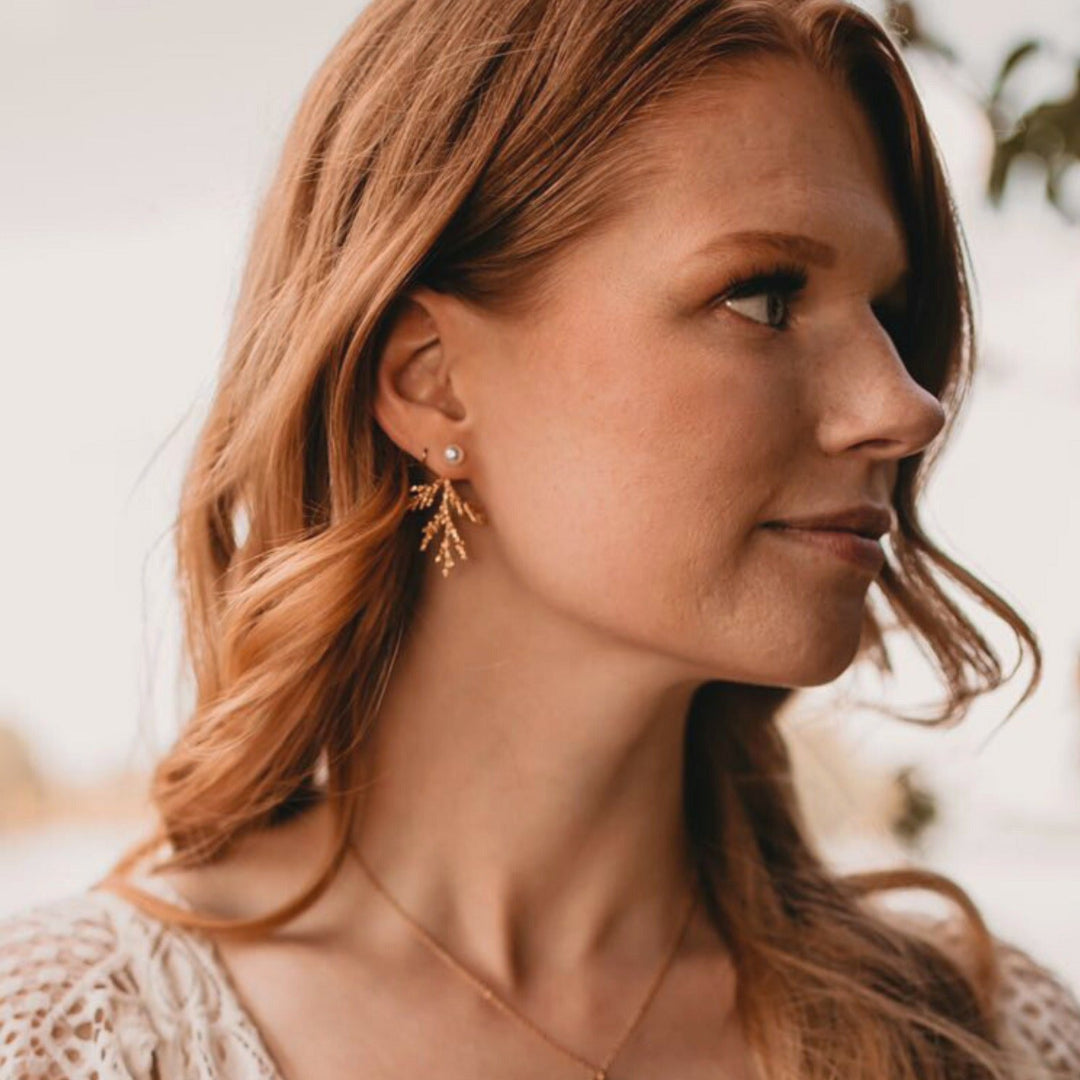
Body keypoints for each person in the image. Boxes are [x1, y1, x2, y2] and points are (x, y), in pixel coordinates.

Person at [2, 0, 1079, 1077]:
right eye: (763, 297)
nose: (904, 407)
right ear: (432, 380)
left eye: (889, 314)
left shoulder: (992, 1037)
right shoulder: (74, 1041)